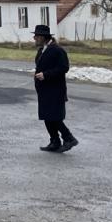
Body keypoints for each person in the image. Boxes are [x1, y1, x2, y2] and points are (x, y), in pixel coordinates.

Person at [33, 24, 78, 152]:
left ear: (43, 37)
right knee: (46, 116)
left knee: (54, 117)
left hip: (55, 90)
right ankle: (55, 141)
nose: (34, 38)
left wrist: (46, 75)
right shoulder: (42, 50)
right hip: (44, 90)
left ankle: (69, 138)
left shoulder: (57, 50)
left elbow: (64, 67)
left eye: (36, 36)